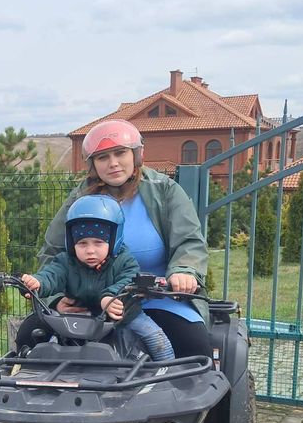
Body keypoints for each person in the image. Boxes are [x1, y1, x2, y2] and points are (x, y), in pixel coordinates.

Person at [36, 119, 210, 359]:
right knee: (30, 336)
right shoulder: (81, 197)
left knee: (195, 347)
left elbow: (189, 240)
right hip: (91, 299)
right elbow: (53, 250)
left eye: (120, 153)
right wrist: (55, 299)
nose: (113, 163)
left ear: (137, 155)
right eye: (103, 157)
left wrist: (184, 271)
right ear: (93, 164)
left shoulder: (164, 190)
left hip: (156, 298)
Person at [19, 195, 174, 361]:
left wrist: (109, 297)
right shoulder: (66, 261)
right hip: (78, 315)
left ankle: (167, 372)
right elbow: (52, 275)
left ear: (114, 240)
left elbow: (128, 280)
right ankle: (41, 374)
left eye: (98, 242)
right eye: (82, 243)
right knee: (49, 344)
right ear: (71, 242)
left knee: (156, 338)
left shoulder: (125, 260)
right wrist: (38, 282)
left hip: (124, 316)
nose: (90, 250)